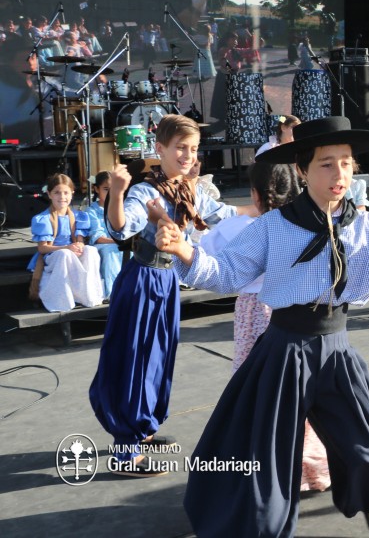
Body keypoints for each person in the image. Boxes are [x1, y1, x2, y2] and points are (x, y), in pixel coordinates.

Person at [152, 115, 369, 537]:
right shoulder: (274, 226)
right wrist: (185, 251)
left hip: (337, 348)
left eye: (346, 163)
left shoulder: (365, 225)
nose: (339, 174)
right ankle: (258, 525)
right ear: (302, 169)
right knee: (262, 452)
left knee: (367, 436)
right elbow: (227, 273)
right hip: (283, 350)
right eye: (327, 164)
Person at [88, 115, 254, 477]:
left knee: (157, 359)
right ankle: (126, 451)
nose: (188, 155)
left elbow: (225, 213)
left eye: (193, 149)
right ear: (160, 149)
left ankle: (142, 428)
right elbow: (120, 228)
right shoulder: (145, 192)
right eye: (180, 147)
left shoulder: (188, 190)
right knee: (137, 361)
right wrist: (117, 193)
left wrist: (266, 208)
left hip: (166, 281)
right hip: (142, 283)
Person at [199, 162, 330, 494]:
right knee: (298, 388)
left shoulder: (238, 228)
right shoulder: (309, 225)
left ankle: (264, 463)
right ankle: (308, 466)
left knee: (254, 387)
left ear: (255, 193)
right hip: (296, 309)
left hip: (254, 310)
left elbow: (204, 255)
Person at [27, 173, 103, 312]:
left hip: (71, 251)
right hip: (53, 256)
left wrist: (79, 245)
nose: (62, 197)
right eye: (57, 192)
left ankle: (88, 296)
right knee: (65, 254)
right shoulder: (43, 218)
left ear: (72, 194)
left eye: (66, 193)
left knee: (91, 251)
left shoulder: (79, 216)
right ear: (49, 194)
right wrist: (67, 247)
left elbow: (79, 240)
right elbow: (43, 249)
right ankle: (61, 301)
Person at [86, 171, 122, 299]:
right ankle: (112, 292)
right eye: (106, 189)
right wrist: (118, 241)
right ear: (96, 189)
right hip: (102, 245)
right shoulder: (92, 211)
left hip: (119, 242)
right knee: (111, 251)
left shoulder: (121, 208)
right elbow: (97, 237)